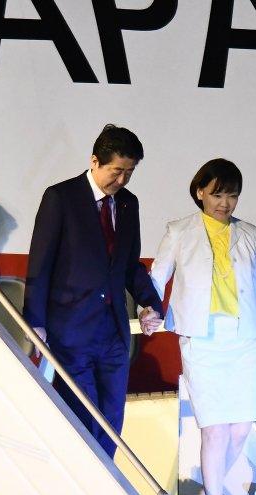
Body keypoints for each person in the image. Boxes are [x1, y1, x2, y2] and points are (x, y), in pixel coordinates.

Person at [147, 158, 256, 495]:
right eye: (218, 193)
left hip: (247, 339)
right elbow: (157, 276)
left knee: (241, 428)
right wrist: (148, 308)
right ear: (200, 192)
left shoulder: (251, 234)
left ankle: (209, 494)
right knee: (214, 429)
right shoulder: (179, 230)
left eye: (232, 195)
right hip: (202, 339)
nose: (225, 203)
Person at [23, 124, 163, 458]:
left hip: (113, 333)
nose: (122, 180)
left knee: (112, 420)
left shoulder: (129, 204)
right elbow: (39, 265)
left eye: (130, 173)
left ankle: (108, 485)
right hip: (71, 330)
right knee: (82, 417)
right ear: (95, 161)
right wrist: (36, 322)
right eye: (116, 171)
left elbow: (130, 265)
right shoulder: (61, 198)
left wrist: (149, 303)